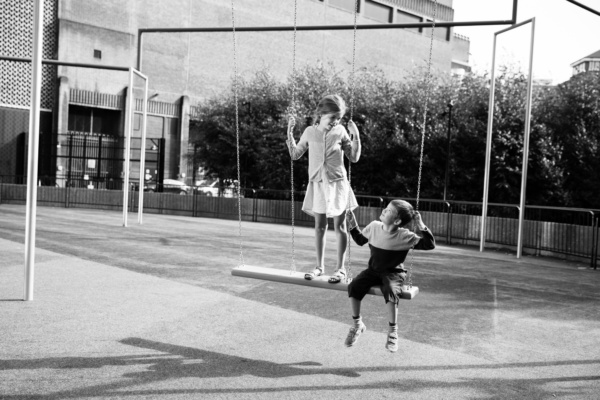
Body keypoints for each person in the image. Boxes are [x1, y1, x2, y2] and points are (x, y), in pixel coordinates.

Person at [286, 94, 361, 284]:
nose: (335, 121)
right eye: (332, 117)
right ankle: (319, 267)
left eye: (338, 118)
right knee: (320, 227)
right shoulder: (310, 132)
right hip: (318, 183)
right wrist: (289, 132)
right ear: (321, 114)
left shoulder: (340, 131)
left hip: (337, 184)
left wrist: (355, 135)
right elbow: (295, 155)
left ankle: (340, 269)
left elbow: (354, 157)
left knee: (340, 226)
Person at [344, 200, 435, 352]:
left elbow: (429, 244)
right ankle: (357, 324)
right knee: (354, 286)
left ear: (397, 220)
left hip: (393, 273)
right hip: (373, 270)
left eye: (389, 210)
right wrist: (352, 224)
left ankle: (393, 331)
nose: (384, 210)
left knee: (391, 291)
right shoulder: (374, 227)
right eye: (385, 208)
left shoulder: (405, 236)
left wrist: (421, 225)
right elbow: (360, 240)